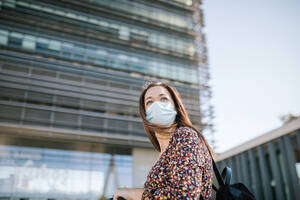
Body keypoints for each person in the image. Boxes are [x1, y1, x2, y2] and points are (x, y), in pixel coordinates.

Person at [113, 81, 215, 200]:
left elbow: (185, 196)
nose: (157, 105)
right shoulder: (165, 152)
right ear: (144, 114)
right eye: (149, 102)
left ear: (175, 106)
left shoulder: (185, 135)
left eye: (163, 99)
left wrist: (131, 193)